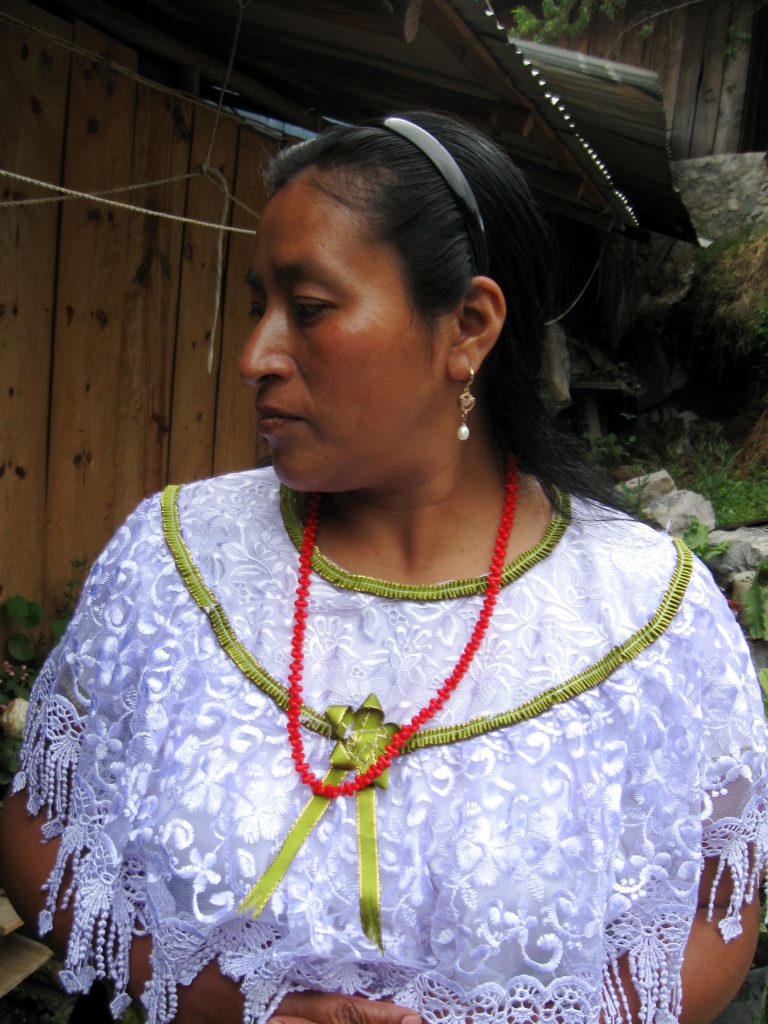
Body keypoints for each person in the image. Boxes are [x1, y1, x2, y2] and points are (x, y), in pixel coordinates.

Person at [0, 111, 766, 1024]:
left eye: (310, 310)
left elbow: (719, 903)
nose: (254, 357)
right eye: (259, 307)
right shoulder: (173, 561)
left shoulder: (648, 611)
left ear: (468, 326)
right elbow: (43, 820)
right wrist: (220, 1001)